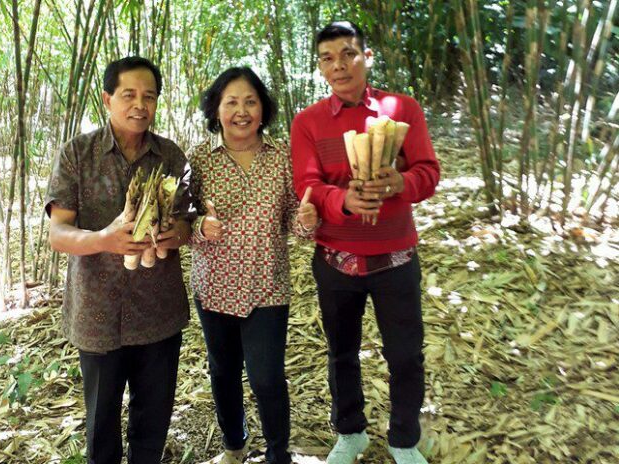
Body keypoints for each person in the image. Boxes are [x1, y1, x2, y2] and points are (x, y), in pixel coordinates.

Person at [290, 21, 440, 464]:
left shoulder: (402, 109)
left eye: (348, 54)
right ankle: (351, 431)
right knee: (341, 353)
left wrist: (400, 182)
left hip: (395, 257)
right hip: (336, 259)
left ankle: (403, 439)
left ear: (366, 57)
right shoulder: (309, 122)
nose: (339, 65)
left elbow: (428, 171)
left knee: (405, 354)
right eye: (327, 58)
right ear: (319, 66)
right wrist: (345, 200)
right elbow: (308, 183)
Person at [45, 56, 196, 464]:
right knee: (101, 425)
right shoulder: (77, 154)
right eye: (128, 95)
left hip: (158, 311)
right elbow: (58, 234)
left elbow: (187, 225)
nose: (139, 105)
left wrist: (174, 234)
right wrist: (102, 240)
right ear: (107, 98)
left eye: (149, 96)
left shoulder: (171, 156)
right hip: (97, 313)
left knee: (153, 422)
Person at [188, 67, 318, 464]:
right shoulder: (199, 158)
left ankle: (279, 454)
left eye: (250, 101)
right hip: (214, 285)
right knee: (223, 372)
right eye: (231, 102)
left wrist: (306, 221)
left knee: (266, 378)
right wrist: (199, 226)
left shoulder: (282, 156)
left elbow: (294, 218)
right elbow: (181, 220)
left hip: (267, 285)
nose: (241, 111)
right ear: (216, 110)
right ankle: (234, 444)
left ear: (263, 109)